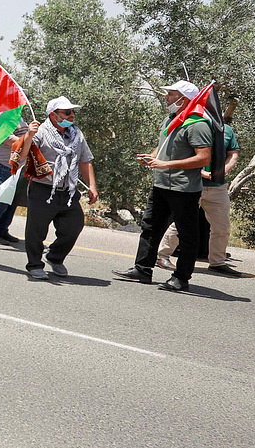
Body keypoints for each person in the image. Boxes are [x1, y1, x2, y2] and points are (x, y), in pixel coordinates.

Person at [114, 81, 213, 293]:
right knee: (150, 228)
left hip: (184, 189)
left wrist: (166, 164)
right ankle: (142, 269)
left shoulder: (197, 124)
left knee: (187, 235)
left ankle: (181, 277)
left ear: (184, 98)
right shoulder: (172, 119)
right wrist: (152, 157)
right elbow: (165, 143)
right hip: (160, 185)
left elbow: (203, 158)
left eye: (170, 94)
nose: (166, 97)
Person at [19, 98, 99, 280]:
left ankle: (55, 257)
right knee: (36, 230)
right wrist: (29, 136)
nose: (72, 116)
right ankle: (34, 265)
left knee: (74, 225)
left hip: (68, 190)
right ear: (53, 115)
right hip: (43, 188)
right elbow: (23, 156)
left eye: (72, 112)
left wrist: (92, 185)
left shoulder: (76, 134)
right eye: (67, 112)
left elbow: (85, 160)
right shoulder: (40, 132)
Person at [157, 120, 241, 276]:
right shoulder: (195, 127)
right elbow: (183, 154)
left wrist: (220, 172)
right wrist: (202, 173)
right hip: (192, 184)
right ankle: (162, 256)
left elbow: (233, 155)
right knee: (181, 224)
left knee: (221, 226)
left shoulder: (227, 130)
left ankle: (217, 262)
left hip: (218, 187)